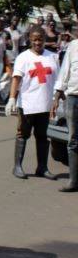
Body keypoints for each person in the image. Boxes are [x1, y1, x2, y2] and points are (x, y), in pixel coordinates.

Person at [5, 26, 58, 181]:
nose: (37, 42)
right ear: (29, 39)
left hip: (45, 104)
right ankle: (17, 166)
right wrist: (12, 98)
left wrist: (57, 99)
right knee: (23, 134)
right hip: (27, 104)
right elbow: (16, 78)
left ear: (44, 39)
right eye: (34, 39)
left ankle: (42, 167)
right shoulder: (24, 57)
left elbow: (58, 80)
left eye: (40, 39)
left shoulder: (52, 57)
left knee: (42, 136)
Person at [53, 37, 78, 192]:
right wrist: (57, 94)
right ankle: (73, 181)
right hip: (73, 98)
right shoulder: (73, 46)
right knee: (73, 140)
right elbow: (65, 71)